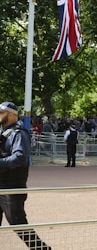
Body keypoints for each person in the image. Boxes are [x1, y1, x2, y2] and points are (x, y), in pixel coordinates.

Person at [0, 102, 52, 249]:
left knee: (18, 224)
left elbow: (20, 157)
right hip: (1, 185)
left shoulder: (19, 133)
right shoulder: (2, 132)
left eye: (1, 113)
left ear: (11, 115)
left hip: (11, 188)